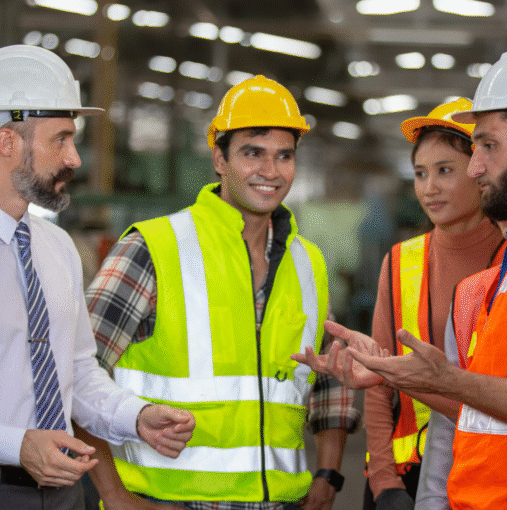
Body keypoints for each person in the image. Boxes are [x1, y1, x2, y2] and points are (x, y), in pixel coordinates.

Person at [296, 48, 507, 510]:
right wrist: (406, 377)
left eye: (488, 146)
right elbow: (492, 416)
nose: (474, 166)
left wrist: (443, 380)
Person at [0, 44, 194, 509]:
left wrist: (136, 416)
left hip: (65, 493)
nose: (74, 158)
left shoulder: (56, 248)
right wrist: (14, 444)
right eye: (60, 139)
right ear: (8, 141)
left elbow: (79, 373)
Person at [77, 74, 360, 510]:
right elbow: (74, 373)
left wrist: (328, 474)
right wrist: (113, 496)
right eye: (253, 153)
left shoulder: (308, 261)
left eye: (284, 156)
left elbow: (330, 378)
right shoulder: (153, 248)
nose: (270, 171)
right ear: (219, 158)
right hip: (167, 501)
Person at [362, 99, 504, 510]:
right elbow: (377, 382)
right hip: (407, 479)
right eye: (420, 174)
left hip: (490, 470)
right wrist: (384, 483)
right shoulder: (401, 261)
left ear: (479, 171)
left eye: (445, 171)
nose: (429, 188)